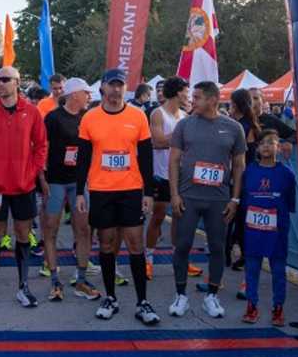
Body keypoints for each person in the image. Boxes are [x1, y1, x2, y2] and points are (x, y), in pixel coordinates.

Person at [75, 68, 159, 325]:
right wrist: (80, 192)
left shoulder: (138, 116)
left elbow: (146, 156)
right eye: (111, 85)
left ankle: (142, 302)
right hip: (101, 190)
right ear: (102, 87)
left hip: (131, 189)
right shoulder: (90, 118)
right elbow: (83, 158)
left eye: (120, 85)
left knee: (135, 243)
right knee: (107, 243)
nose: (115, 90)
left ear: (125, 88)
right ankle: (110, 297)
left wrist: (149, 192)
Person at [168, 81, 246, 319]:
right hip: (188, 197)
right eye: (192, 96)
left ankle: (211, 296)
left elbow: (240, 165)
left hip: (219, 200)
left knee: (217, 247)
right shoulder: (184, 125)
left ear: (213, 100)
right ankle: (180, 296)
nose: (192, 101)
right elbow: (173, 161)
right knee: (182, 246)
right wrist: (174, 194)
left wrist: (235, 199)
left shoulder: (233, 128)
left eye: (198, 97)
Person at [0, 66, 48, 308]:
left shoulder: (32, 112)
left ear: (17, 82)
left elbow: (41, 146)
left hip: (23, 186)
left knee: (23, 234)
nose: (0, 84)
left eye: (5, 80)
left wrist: (33, 173)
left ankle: (23, 287)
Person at [43, 77, 100, 302]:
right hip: (56, 181)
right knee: (51, 230)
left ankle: (82, 279)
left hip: (80, 182)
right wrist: (42, 177)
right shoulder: (53, 118)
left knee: (84, 229)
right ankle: (55, 280)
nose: (90, 96)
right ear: (75, 95)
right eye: (86, 93)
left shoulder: (89, 117)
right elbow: (40, 146)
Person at [146, 76, 205, 280]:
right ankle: (149, 259)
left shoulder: (184, 115)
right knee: (158, 217)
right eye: (187, 92)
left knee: (180, 219)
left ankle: (180, 261)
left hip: (182, 174)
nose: (189, 96)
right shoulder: (158, 113)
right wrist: (182, 131)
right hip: (161, 173)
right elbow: (158, 141)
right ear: (179, 93)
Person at [240, 129, 296, 325]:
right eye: (262, 142)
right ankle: (252, 305)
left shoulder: (287, 174)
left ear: (278, 147)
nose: (266, 146)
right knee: (252, 270)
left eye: (270, 142)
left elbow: (289, 204)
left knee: (278, 272)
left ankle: (278, 307)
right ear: (257, 148)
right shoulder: (250, 171)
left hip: (277, 232)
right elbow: (245, 200)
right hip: (253, 232)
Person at [226, 88, 262, 275]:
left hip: (243, 179)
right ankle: (225, 253)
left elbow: (249, 158)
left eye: (232, 103)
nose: (229, 106)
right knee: (226, 218)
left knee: (240, 220)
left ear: (238, 104)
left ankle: (244, 256)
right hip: (227, 177)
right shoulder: (229, 122)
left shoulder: (249, 125)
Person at [249, 87, 297, 159]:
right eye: (249, 99)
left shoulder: (271, 120)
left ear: (263, 101)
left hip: (266, 165)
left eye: (256, 98)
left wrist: (289, 142)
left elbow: (294, 133)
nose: (252, 102)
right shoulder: (240, 121)